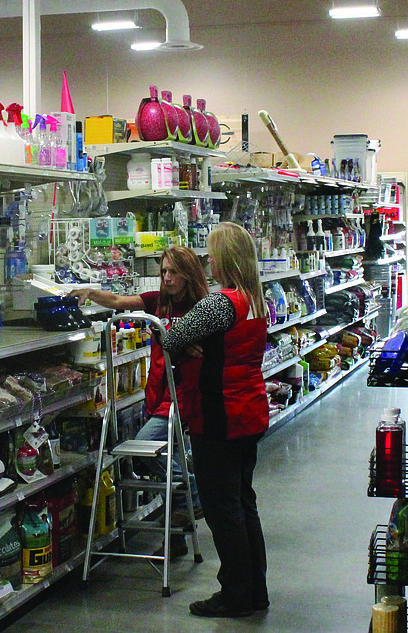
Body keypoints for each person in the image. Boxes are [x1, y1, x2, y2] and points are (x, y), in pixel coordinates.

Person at [161, 221, 270, 618]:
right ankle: (256, 590)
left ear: (225, 258)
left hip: (219, 415)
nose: (208, 259)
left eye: (212, 252)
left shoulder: (219, 303)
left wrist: (183, 340)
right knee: (243, 504)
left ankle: (235, 595)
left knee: (223, 512)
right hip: (249, 411)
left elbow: (169, 338)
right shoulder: (256, 300)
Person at [72, 246, 207, 525]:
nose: (167, 277)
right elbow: (119, 300)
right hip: (157, 390)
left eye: (174, 272)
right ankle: (177, 525)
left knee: (144, 446)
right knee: (169, 454)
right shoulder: (157, 301)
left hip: (185, 393)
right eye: (164, 271)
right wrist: (90, 292)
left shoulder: (203, 306)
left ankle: (192, 489)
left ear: (189, 274)